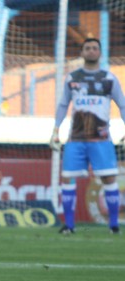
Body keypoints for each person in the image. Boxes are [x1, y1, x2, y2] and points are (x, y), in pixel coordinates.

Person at [50, 38, 124, 235]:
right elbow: (63, 105)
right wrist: (56, 130)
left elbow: (122, 104)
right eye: (87, 48)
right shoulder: (72, 78)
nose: (91, 51)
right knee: (67, 179)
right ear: (82, 52)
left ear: (100, 53)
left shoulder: (109, 78)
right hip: (76, 139)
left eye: (94, 48)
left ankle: (114, 225)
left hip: (101, 139)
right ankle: (69, 225)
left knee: (109, 179)